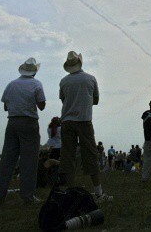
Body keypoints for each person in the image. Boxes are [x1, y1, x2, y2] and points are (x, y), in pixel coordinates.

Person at [57, 51, 112, 202]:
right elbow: (96, 100)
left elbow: (63, 99)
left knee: (67, 157)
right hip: (84, 121)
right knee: (91, 156)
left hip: (67, 121)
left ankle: (68, 193)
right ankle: (98, 193)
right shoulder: (90, 79)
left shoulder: (63, 81)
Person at [0, 57, 46, 205]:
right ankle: (27, 196)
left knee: (7, 160)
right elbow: (41, 105)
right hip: (29, 122)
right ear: (35, 71)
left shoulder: (11, 84)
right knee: (29, 161)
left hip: (12, 122)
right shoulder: (36, 84)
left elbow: (5, 107)